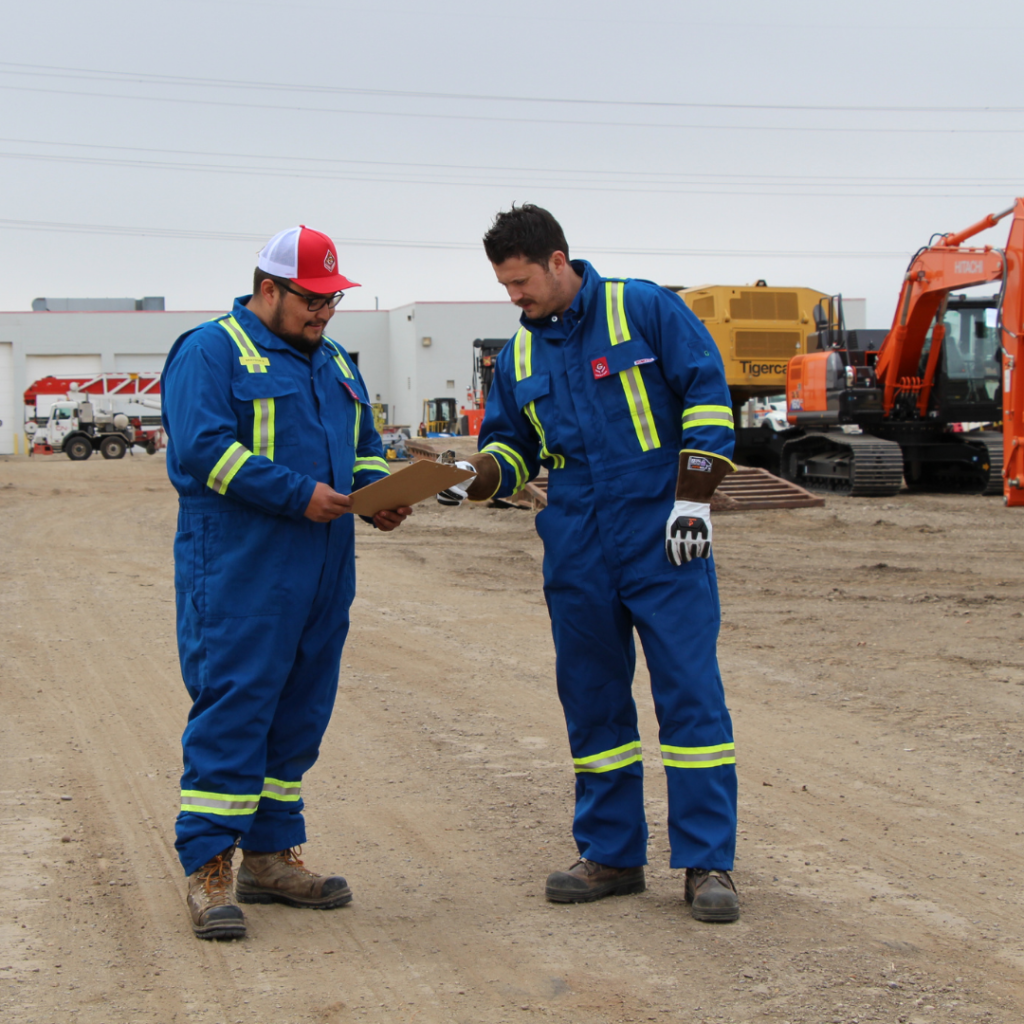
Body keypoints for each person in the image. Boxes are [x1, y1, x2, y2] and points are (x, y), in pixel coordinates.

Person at [438, 205, 739, 922]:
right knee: (592, 698)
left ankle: (707, 865)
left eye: (521, 282)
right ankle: (610, 854)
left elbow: (707, 394)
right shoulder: (517, 357)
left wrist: (693, 502)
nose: (515, 298)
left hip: (662, 530)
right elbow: (512, 449)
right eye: (505, 286)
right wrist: (472, 477)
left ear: (558, 260)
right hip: (575, 539)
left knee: (690, 697)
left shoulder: (642, 309)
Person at [162, 225, 411, 940]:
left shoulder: (332, 359)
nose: (323, 314)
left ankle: (270, 856)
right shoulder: (210, 351)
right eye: (312, 300)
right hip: (242, 561)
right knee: (236, 703)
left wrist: (379, 493)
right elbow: (202, 450)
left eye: (332, 301)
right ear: (267, 289)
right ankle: (210, 865)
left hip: (325, 561)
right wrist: (296, 493)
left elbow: (361, 449)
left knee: (300, 710)